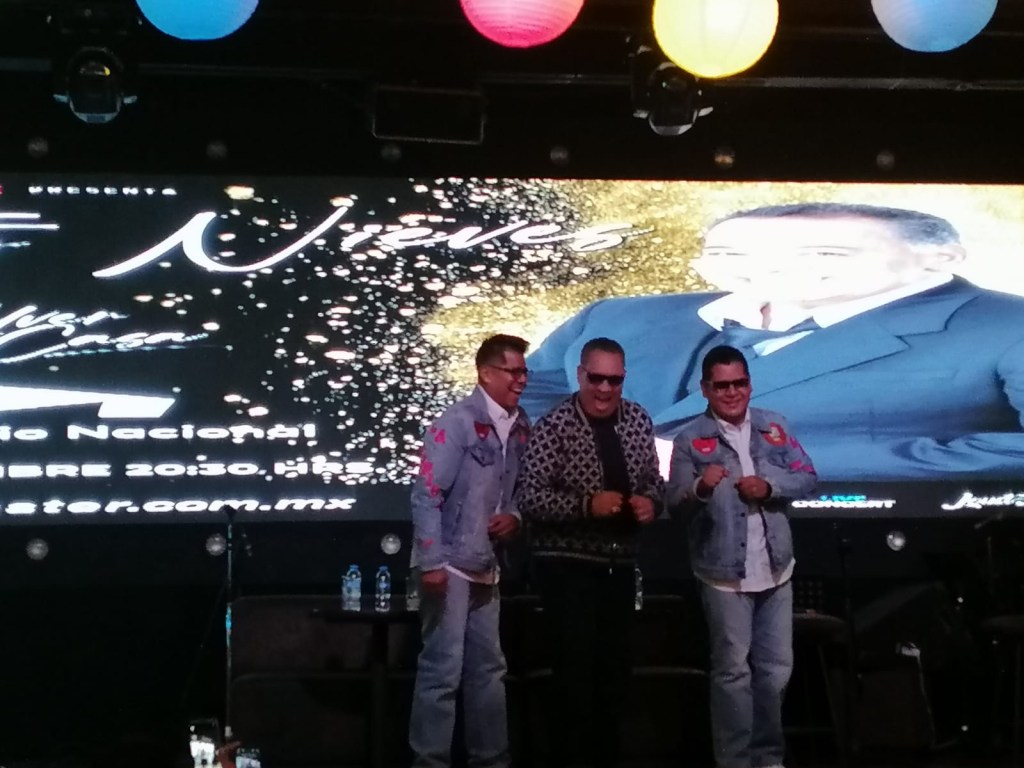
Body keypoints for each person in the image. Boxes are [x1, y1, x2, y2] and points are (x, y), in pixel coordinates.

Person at [522, 203, 1024, 481]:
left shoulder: (1007, 325)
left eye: (823, 253)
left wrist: (749, 461)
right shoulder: (618, 316)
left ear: (940, 257)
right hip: (595, 544)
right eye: (730, 253)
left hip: (846, 548)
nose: (770, 269)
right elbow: (520, 406)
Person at [516, 337, 664, 768]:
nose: (604, 389)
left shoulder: (638, 419)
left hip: (621, 568)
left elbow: (654, 480)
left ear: (623, 379)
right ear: (580, 375)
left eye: (613, 380)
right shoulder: (555, 425)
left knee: (615, 677)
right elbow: (529, 498)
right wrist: (586, 505)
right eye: (596, 378)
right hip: (566, 569)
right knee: (574, 679)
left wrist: (651, 502)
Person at [667, 344, 817, 768]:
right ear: (705, 389)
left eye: (739, 383)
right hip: (722, 574)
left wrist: (769, 487)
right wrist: (700, 488)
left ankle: (768, 758)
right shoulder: (690, 439)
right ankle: (734, 761)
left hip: (776, 568)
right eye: (722, 386)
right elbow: (673, 504)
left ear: (750, 385)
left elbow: (808, 477)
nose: (732, 392)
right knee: (733, 674)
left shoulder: (774, 426)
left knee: (776, 671)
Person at [408, 333, 532, 768]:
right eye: (512, 371)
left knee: (489, 671)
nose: (521, 380)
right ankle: (430, 762)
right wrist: (431, 562)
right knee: (442, 670)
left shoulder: (521, 425)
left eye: (524, 372)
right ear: (485, 373)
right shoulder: (456, 422)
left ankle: (492, 760)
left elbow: (520, 490)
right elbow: (426, 493)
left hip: (487, 564)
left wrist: (515, 517)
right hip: (449, 565)